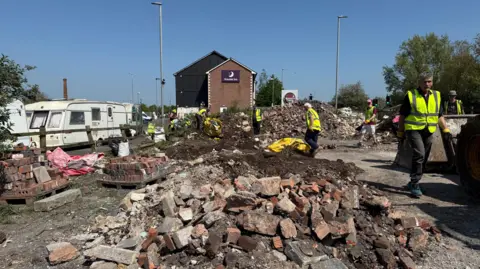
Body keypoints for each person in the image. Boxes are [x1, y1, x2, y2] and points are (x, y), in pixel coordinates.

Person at [397, 72, 450, 198]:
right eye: (424, 81)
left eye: (429, 81)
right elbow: (402, 116)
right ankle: (415, 183)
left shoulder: (437, 95)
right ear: (419, 83)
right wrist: (400, 132)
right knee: (419, 154)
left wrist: (446, 130)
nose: (427, 84)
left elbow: (439, 115)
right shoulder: (411, 95)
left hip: (429, 130)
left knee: (424, 157)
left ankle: (414, 182)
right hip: (413, 129)